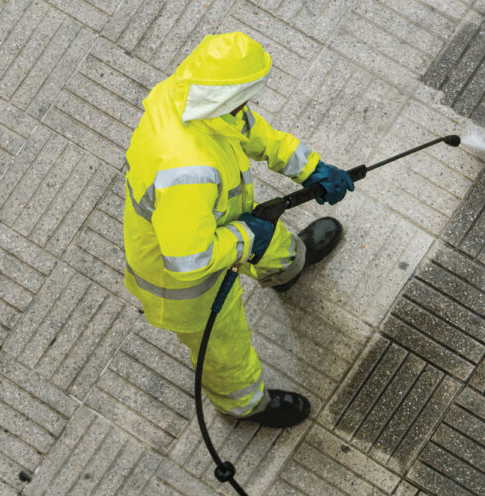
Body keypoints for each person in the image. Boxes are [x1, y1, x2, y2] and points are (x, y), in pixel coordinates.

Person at [123, 32, 354, 428]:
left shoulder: (193, 98)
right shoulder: (186, 170)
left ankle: (285, 271)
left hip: (223, 223)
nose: (248, 104)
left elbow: (248, 129)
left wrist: (307, 166)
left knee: (274, 242)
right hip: (189, 287)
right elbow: (189, 259)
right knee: (223, 348)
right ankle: (245, 404)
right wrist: (248, 237)